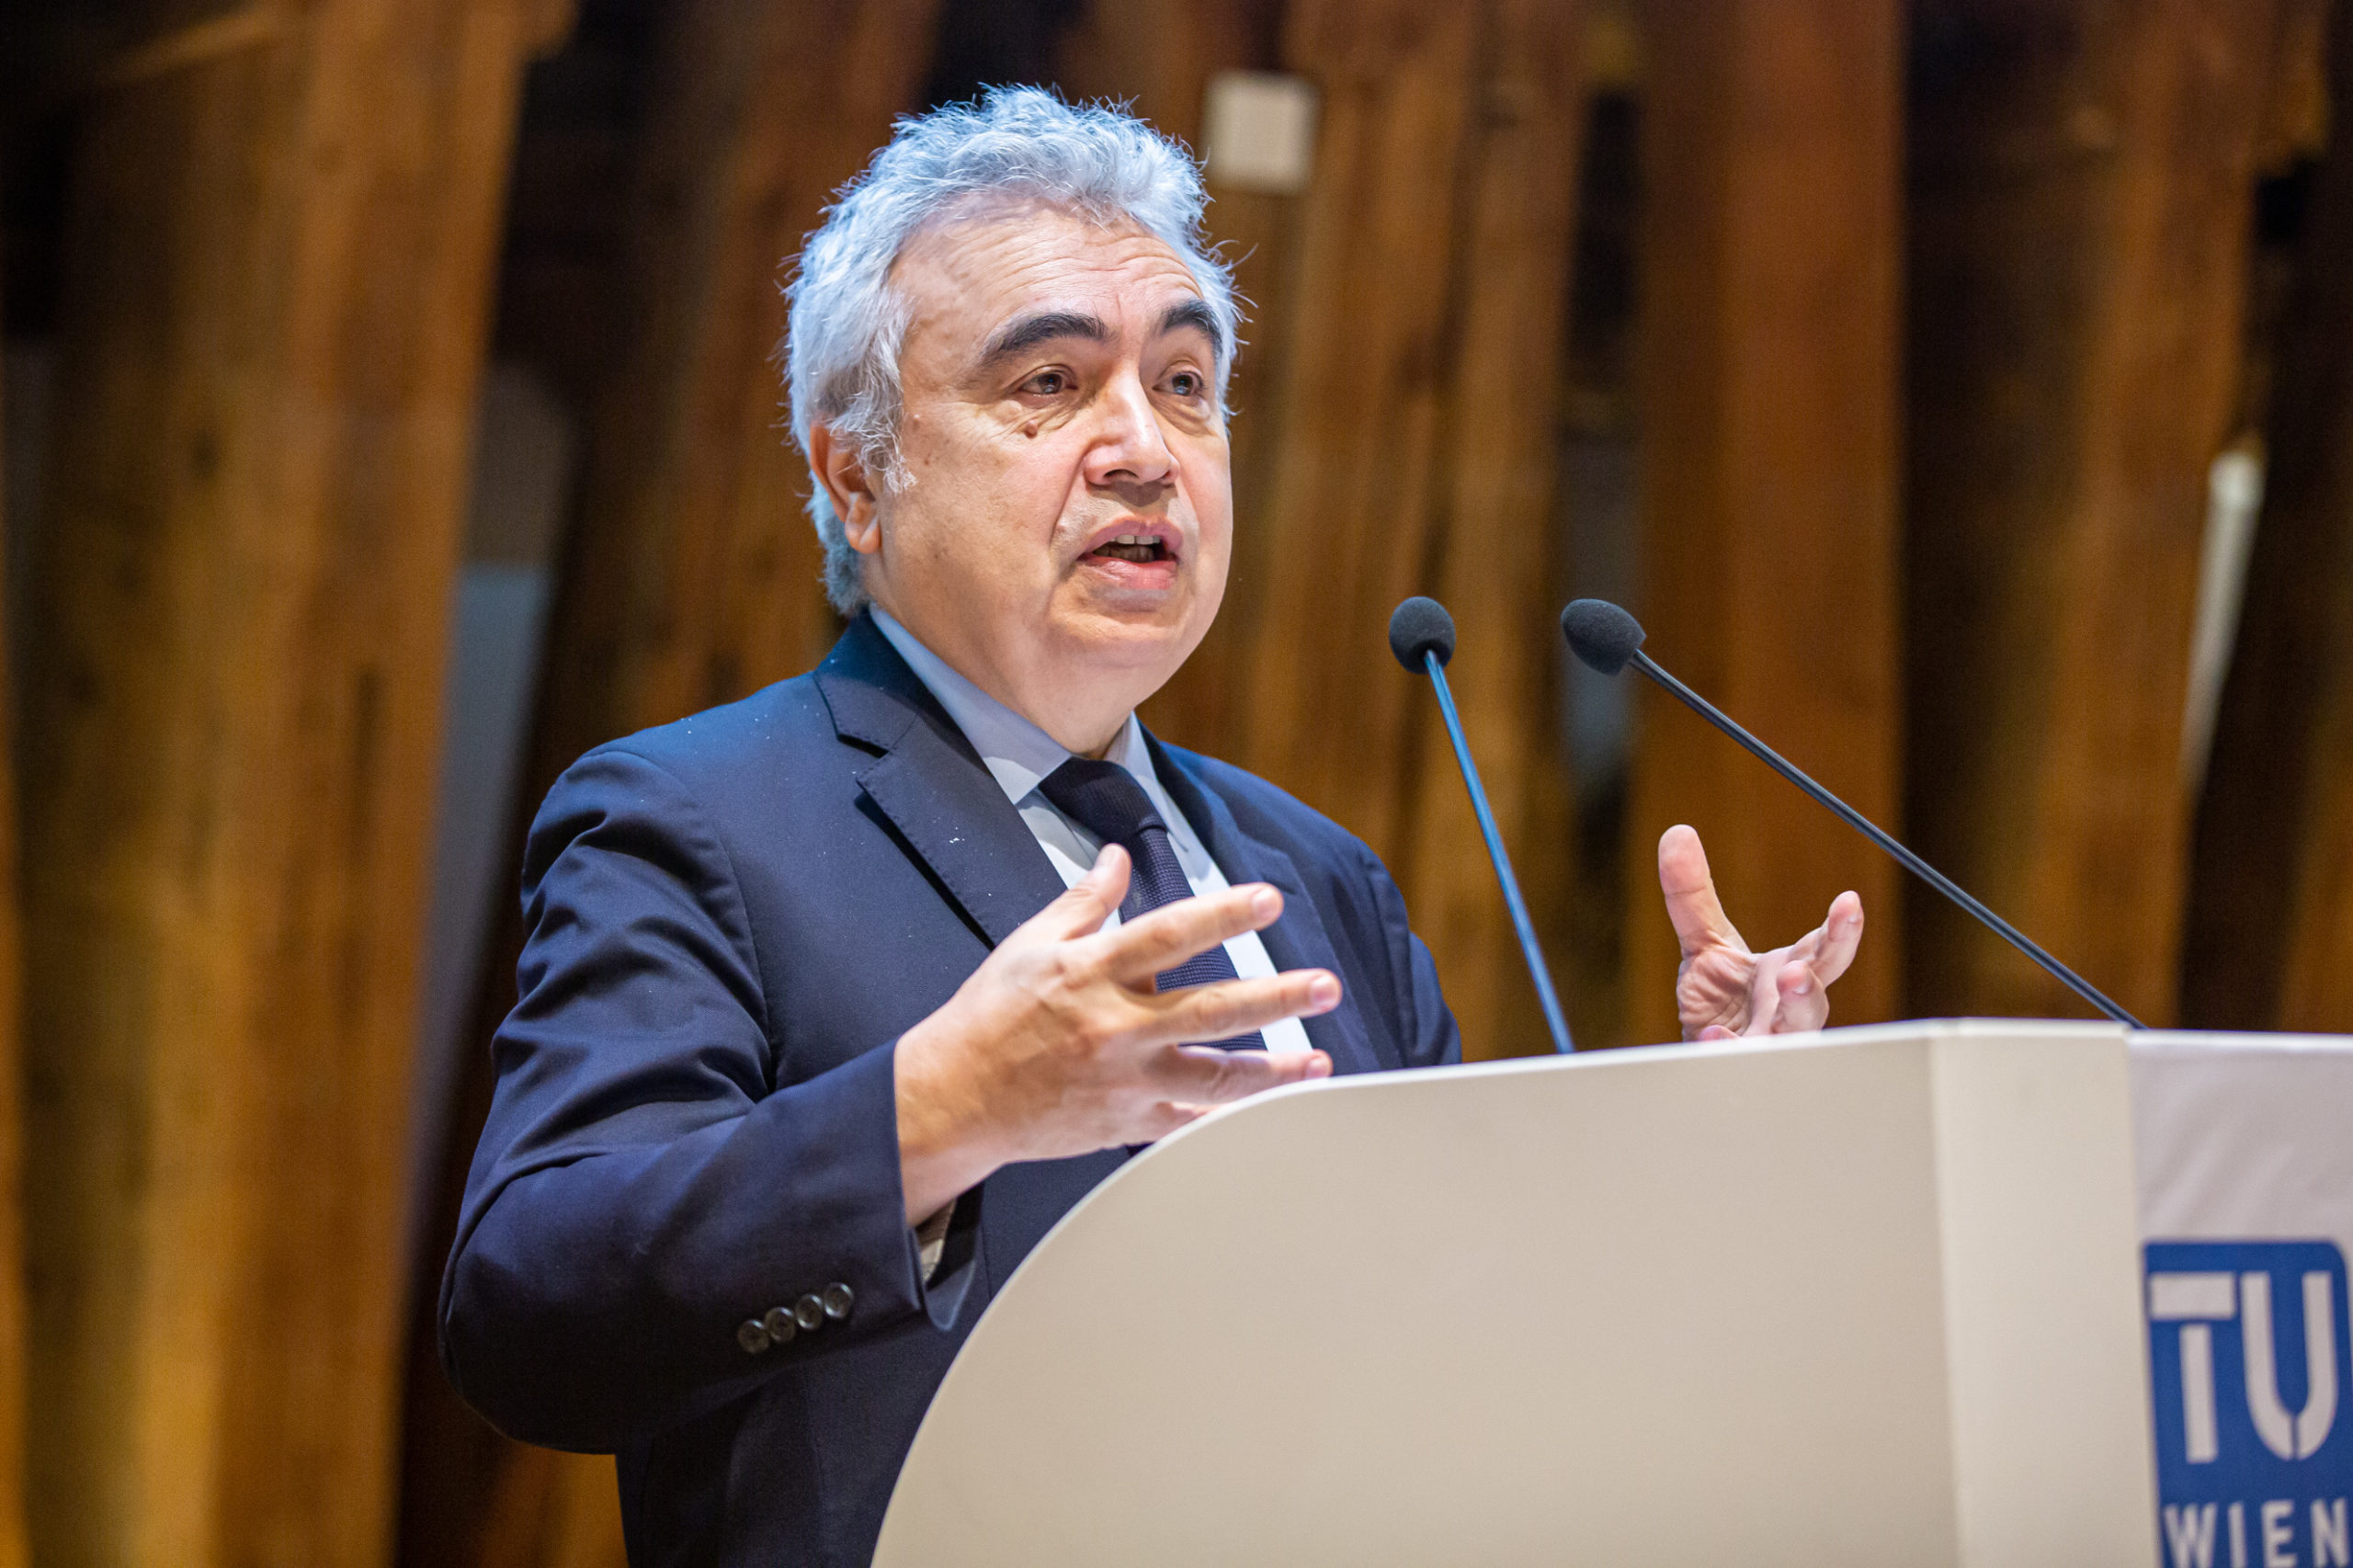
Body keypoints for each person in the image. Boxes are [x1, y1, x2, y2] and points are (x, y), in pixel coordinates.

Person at [439, 87, 1868, 1567]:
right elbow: (528, 1307)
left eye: (1185, 383)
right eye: (1050, 383)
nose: (1144, 446)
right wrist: (937, 1110)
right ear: (857, 475)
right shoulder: (697, 819)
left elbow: (1474, 1333)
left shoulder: (1316, 875)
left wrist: (1699, 1153)